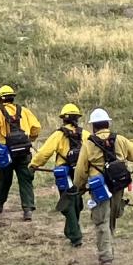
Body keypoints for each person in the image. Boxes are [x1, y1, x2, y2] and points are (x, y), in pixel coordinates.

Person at [70, 109, 133, 265]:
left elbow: (80, 170)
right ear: (107, 124)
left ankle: (106, 255)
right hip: (118, 184)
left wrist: (78, 186)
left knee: (101, 220)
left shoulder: (89, 144)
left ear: (94, 127)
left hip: (98, 187)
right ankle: (108, 248)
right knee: (112, 216)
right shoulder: (120, 140)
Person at [0, 87, 42, 222]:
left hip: (6, 153)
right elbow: (37, 127)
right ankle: (28, 209)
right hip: (24, 151)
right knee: (25, 179)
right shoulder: (24, 111)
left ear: (0, 99)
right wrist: (30, 139)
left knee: (4, 178)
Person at [30, 104, 85, 249]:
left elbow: (44, 153)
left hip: (63, 173)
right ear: (77, 118)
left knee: (67, 203)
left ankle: (75, 236)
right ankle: (71, 230)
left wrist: (34, 165)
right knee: (77, 201)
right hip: (80, 173)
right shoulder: (84, 134)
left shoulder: (58, 135)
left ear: (63, 119)